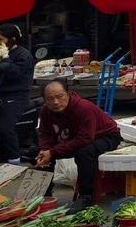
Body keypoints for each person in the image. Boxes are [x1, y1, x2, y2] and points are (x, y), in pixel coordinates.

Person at [35, 79, 121, 207]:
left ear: (68, 94)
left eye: (59, 97)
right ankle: (44, 194)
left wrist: (52, 152)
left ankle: (86, 197)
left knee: (84, 152)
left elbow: (85, 139)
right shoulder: (45, 111)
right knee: (38, 154)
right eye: (50, 99)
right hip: (71, 138)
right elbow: (44, 133)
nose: (56, 102)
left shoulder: (83, 108)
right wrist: (44, 150)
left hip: (105, 136)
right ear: (45, 100)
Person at [0, 24, 36, 165]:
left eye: (1, 39)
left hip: (16, 97)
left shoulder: (23, 55)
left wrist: (6, 59)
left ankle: (14, 160)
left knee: (5, 128)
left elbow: (14, 73)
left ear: (13, 39)